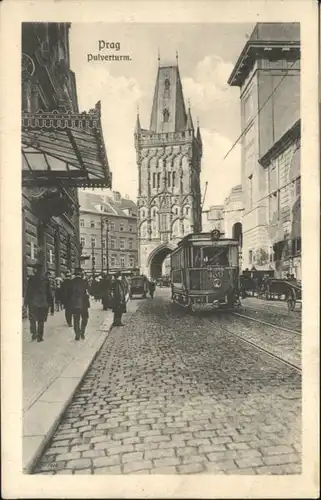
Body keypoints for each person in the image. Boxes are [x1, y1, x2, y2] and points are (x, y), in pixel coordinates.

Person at [24, 263, 53, 342]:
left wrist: (25, 303)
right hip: (43, 303)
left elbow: (28, 292)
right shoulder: (46, 279)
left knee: (32, 319)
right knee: (41, 321)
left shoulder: (31, 279)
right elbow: (49, 292)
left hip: (33, 302)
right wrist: (51, 303)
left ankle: (34, 333)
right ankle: (40, 337)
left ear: (35, 270)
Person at [70, 267, 90, 340]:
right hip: (84, 304)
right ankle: (82, 332)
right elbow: (88, 292)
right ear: (81, 274)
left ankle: (77, 334)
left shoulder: (71, 282)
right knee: (85, 318)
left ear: (75, 274)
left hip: (74, 304)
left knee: (76, 319)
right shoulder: (85, 282)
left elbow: (69, 294)